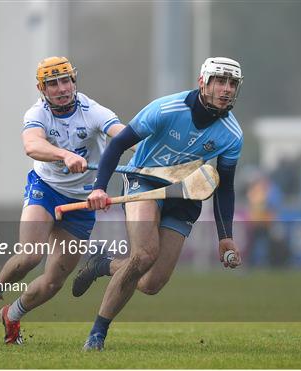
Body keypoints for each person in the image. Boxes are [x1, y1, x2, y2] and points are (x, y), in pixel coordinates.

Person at [78, 57, 245, 351]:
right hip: (144, 180)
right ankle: (97, 334)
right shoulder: (166, 109)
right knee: (144, 254)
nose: (226, 89)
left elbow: (225, 187)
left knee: (151, 283)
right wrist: (99, 188)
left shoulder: (232, 135)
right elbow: (117, 145)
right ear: (202, 82)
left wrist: (225, 236)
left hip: (184, 194)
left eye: (232, 83)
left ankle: (104, 265)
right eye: (220, 81)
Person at [0, 56, 128, 344]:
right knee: (31, 256)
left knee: (53, 281)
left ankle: (11, 314)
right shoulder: (37, 113)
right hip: (46, 189)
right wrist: (63, 154)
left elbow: (122, 135)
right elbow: (32, 144)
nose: (61, 88)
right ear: (42, 89)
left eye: (66, 81)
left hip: (80, 201)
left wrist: (143, 152)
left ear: (74, 81)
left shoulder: (94, 111)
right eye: (53, 84)